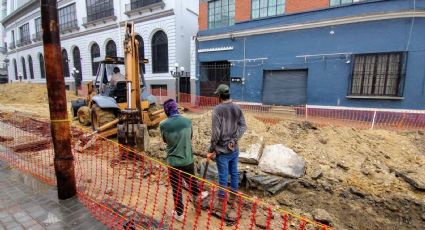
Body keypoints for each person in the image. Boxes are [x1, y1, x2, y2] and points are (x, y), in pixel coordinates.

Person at [160, 99, 208, 222]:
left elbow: (165, 140)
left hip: (173, 162)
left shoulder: (163, 125)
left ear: (166, 110)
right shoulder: (187, 121)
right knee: (191, 180)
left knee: (176, 188)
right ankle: (197, 194)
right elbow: (190, 137)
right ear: (176, 108)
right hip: (187, 160)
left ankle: (179, 214)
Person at [208, 84, 247, 212]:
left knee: (223, 176)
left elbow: (215, 134)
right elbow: (243, 126)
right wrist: (234, 139)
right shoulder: (237, 108)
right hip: (234, 149)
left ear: (219, 96)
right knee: (234, 174)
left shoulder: (217, 110)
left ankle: (221, 203)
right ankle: (232, 200)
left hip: (222, 151)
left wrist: (211, 150)